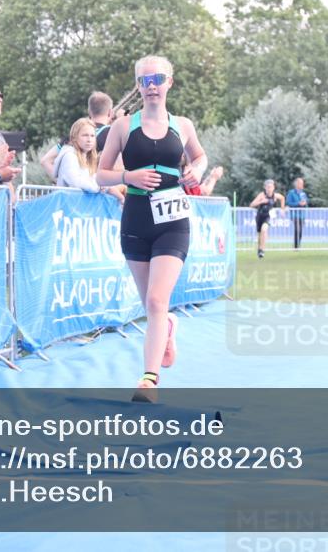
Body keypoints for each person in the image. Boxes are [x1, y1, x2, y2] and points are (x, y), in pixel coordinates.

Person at [96, 55, 207, 402]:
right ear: (138, 87)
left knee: (158, 299)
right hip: (136, 219)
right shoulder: (122, 126)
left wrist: (198, 170)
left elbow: (200, 157)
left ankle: (148, 381)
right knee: (151, 305)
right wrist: (129, 177)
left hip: (172, 222)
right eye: (145, 80)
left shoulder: (183, 125)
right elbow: (101, 175)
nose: (152, 85)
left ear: (170, 82)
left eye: (158, 78)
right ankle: (168, 328)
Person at [42, 91, 117, 178]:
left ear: (89, 111)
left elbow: (45, 161)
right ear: (110, 113)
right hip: (100, 189)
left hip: (76, 189)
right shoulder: (113, 134)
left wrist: (66, 182)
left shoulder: (75, 134)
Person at [53, 118, 124, 202]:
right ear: (74, 137)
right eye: (85, 135)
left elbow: (95, 180)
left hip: (78, 207)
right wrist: (99, 187)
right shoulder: (69, 156)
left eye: (92, 136)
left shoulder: (86, 156)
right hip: (67, 207)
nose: (89, 140)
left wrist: (121, 198)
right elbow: (76, 182)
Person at [250, 179, 286, 259]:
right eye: (268, 187)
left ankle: (262, 250)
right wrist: (261, 201)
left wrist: (282, 209)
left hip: (268, 216)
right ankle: (260, 250)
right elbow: (252, 204)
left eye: (271, 187)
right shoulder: (262, 195)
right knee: (260, 234)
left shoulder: (275, 196)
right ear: (265, 188)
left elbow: (282, 198)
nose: (269, 189)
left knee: (264, 229)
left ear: (273, 188)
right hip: (260, 216)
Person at [285, 177, 309, 249]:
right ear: (296, 184)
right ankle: (296, 246)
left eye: (302, 183)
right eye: (300, 183)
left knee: (300, 231)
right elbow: (288, 203)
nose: (302, 185)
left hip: (302, 215)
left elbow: (306, 203)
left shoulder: (303, 193)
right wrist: (298, 203)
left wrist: (305, 203)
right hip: (295, 215)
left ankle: (298, 245)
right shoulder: (291, 193)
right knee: (297, 229)